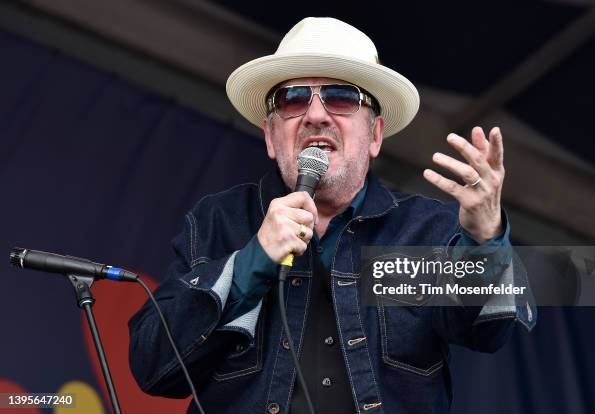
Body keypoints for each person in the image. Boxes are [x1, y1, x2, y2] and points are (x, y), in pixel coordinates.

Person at [128, 17, 536, 414]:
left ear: (374, 135)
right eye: (293, 99)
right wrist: (251, 261)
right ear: (271, 136)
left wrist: (485, 240)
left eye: (341, 97)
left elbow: (489, 332)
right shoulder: (219, 221)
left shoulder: (425, 230)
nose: (316, 115)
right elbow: (153, 367)